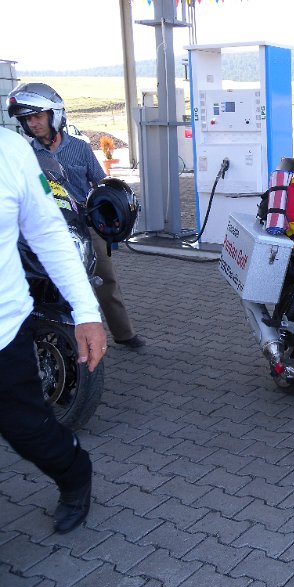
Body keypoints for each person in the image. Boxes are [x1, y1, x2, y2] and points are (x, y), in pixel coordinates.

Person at [0, 127, 107, 533]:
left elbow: (48, 232)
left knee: (30, 433)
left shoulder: (10, 151)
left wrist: (86, 310)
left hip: (4, 333)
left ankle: (74, 472)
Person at [8, 82, 144, 349]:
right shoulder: (25, 153)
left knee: (105, 280)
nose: (33, 124)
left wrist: (111, 214)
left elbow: (101, 183)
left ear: (54, 115)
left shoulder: (80, 148)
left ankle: (124, 333)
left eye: (37, 116)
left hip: (84, 223)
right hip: (46, 227)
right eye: (27, 119)